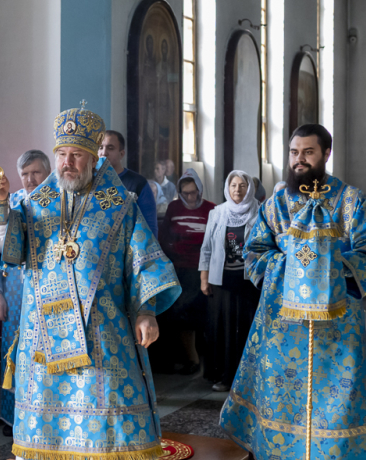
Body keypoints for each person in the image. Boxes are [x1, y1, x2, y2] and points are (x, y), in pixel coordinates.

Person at [0, 105, 181, 460]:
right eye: (62, 154)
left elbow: (143, 260)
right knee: (49, 419)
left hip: (101, 331)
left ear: (94, 158)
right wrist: (0, 207)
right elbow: (8, 249)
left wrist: (146, 311)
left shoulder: (119, 205)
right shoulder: (35, 204)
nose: (67, 163)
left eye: (76, 155)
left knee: (103, 408)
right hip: (44, 334)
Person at [219, 124, 366, 460]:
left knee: (337, 404)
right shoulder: (277, 203)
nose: (299, 160)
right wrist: (290, 269)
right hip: (282, 329)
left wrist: (328, 269)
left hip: (336, 330)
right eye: (294, 152)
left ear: (326, 154)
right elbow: (255, 250)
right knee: (280, 403)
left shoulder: (351, 201)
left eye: (308, 152)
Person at [0, 150, 51, 436]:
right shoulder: (9, 202)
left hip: (48, 294)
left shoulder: (58, 203)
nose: (30, 179)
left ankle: (45, 419)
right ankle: (12, 418)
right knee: (13, 353)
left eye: (36, 172)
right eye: (25, 174)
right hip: (15, 294)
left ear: (48, 172)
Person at [199, 171, 261, 392]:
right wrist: (204, 278)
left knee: (246, 329)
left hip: (249, 282)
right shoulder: (217, 213)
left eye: (242, 185)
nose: (237, 190)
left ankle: (248, 379)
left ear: (250, 188)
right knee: (223, 330)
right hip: (221, 281)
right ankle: (225, 376)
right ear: (227, 187)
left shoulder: (259, 212)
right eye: (233, 185)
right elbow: (206, 247)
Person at [158, 168, 215, 374]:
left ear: (199, 190)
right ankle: (187, 358)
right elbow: (164, 235)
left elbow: (214, 241)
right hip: (177, 266)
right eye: (185, 193)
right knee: (178, 313)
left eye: (193, 192)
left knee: (196, 314)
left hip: (201, 268)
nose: (190, 197)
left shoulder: (211, 209)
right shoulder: (174, 207)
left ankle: (198, 359)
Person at [98, 130, 159, 235]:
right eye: (100, 147)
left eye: (110, 148)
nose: (104, 153)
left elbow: (149, 227)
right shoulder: (89, 181)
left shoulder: (138, 184)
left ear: (121, 154)